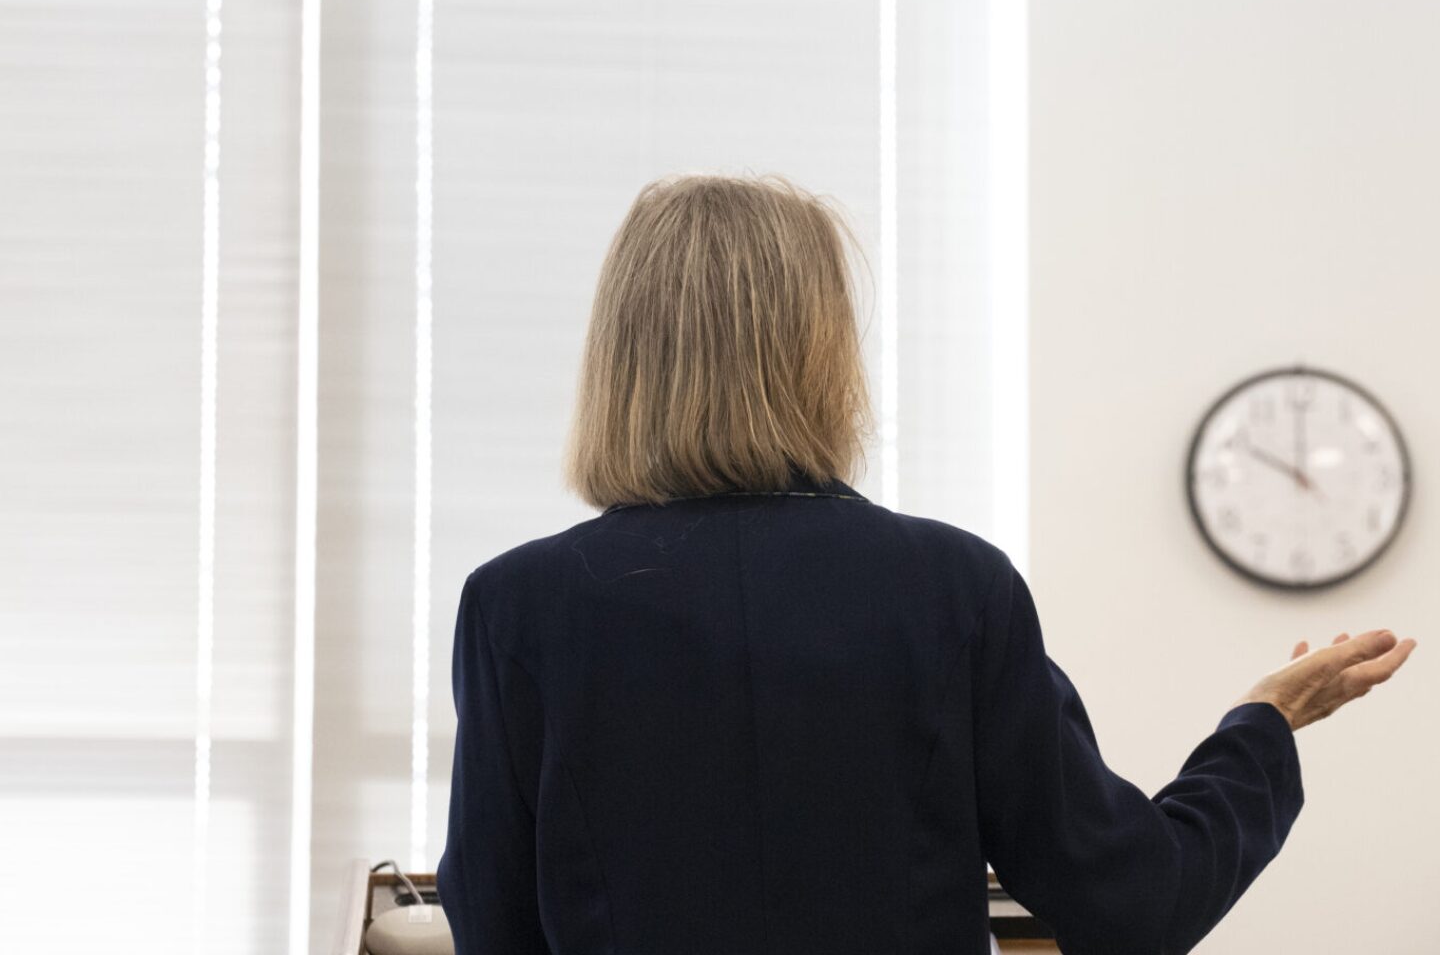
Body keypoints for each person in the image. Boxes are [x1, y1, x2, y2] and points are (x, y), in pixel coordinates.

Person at [435, 173, 1417, 955]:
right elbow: (1132, 904)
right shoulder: (950, 589)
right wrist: (1264, 728)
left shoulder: (517, 606)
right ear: (821, 354)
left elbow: (493, 925)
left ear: (622, 360)